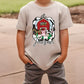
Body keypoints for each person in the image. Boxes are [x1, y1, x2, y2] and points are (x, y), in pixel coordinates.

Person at [16, 0, 73, 84]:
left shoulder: (62, 9)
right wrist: (21, 55)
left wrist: (63, 54)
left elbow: (64, 32)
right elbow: (20, 33)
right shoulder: (25, 10)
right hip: (32, 60)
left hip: (55, 59)